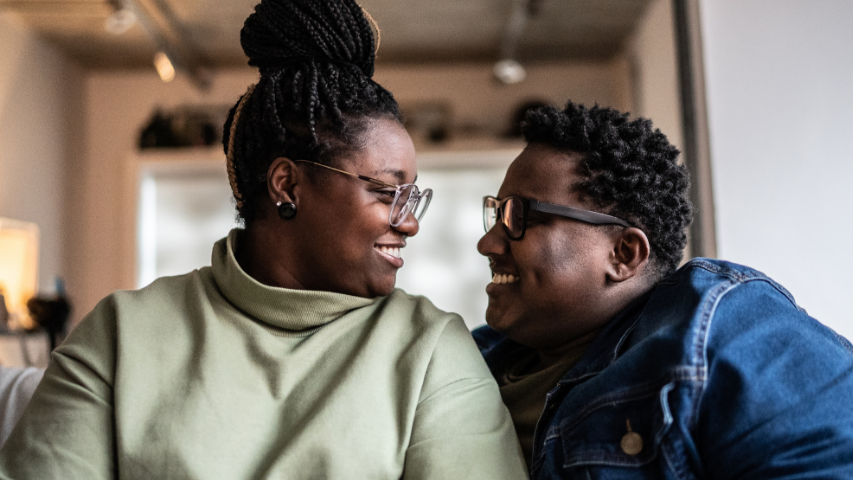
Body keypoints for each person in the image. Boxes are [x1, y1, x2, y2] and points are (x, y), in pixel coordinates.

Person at [0, 1, 527, 478]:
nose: (409, 223)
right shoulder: (120, 336)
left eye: (413, 199)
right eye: (387, 193)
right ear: (288, 185)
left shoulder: (430, 348)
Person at [473, 101, 853, 478]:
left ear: (624, 254)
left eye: (520, 217)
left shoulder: (717, 330)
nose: (487, 244)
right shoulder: (463, 356)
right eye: (497, 212)